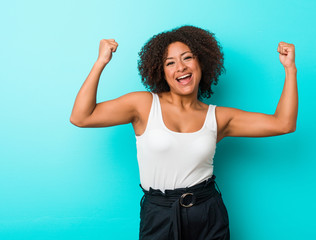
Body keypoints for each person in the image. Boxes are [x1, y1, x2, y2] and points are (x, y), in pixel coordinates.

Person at [70, 25, 297, 240]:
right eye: (170, 63)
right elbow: (81, 117)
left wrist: (290, 68)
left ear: (201, 63)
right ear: (161, 71)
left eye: (187, 57)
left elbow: (283, 123)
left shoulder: (218, 117)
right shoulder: (143, 104)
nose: (181, 67)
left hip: (208, 211)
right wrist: (101, 62)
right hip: (159, 213)